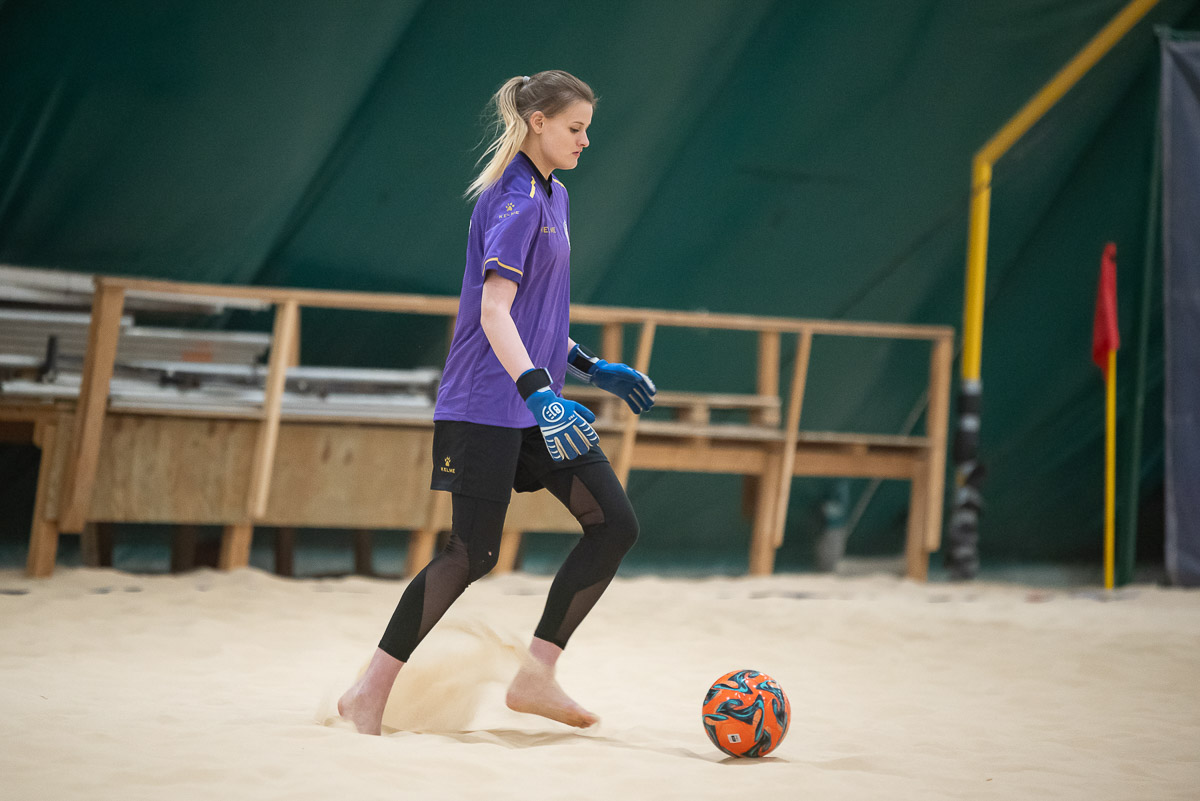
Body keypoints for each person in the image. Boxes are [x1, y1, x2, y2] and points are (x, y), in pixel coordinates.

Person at [338, 70, 656, 736]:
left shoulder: (555, 195)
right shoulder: (514, 199)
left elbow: (536, 313)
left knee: (615, 524)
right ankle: (366, 693)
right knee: (470, 554)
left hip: (535, 403)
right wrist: (541, 394)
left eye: (588, 129)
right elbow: (493, 312)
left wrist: (589, 366)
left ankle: (536, 675)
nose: (586, 140)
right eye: (575, 128)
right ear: (538, 123)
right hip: (487, 401)